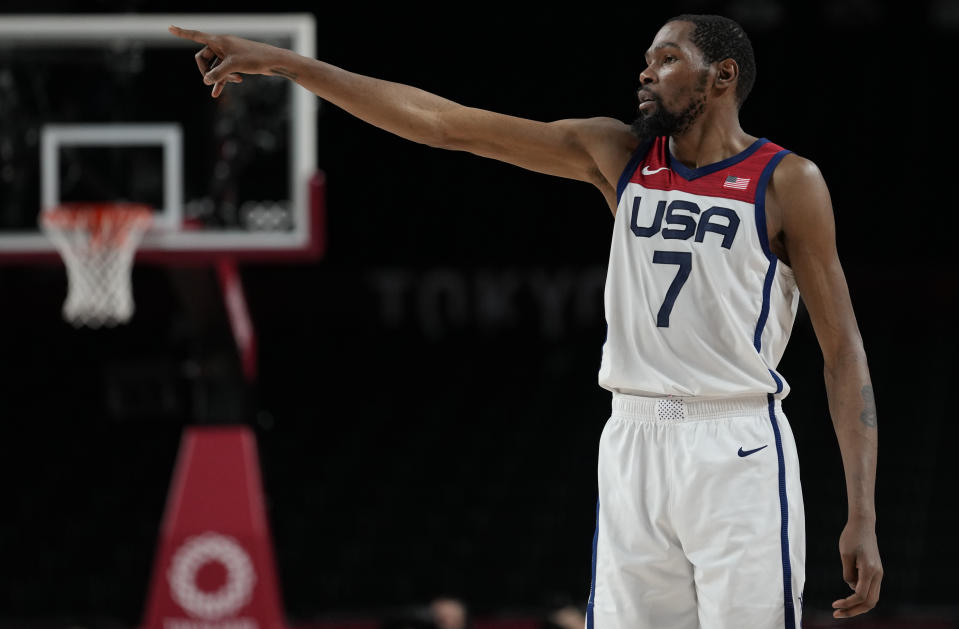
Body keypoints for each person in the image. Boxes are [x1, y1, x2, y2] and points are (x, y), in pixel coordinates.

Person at [170, 13, 881, 628]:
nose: (645, 73)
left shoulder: (786, 180)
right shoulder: (618, 154)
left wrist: (861, 510)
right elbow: (445, 126)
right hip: (632, 437)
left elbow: (842, 348)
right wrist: (292, 65)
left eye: (666, 60)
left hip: (738, 441)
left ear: (721, 76)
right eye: (644, 60)